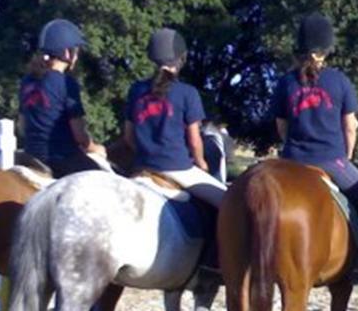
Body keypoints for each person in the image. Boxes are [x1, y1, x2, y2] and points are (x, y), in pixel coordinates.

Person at [272, 13, 358, 284]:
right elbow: (351, 126)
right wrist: (347, 157)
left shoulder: (286, 83)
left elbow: (281, 128)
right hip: (330, 159)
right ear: (326, 50)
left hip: (291, 161)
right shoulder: (339, 81)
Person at [123, 27, 227, 209]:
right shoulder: (187, 93)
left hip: (141, 168)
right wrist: (201, 164)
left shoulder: (136, 90)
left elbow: (128, 138)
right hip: (178, 168)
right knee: (229, 204)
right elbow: (195, 141)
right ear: (181, 59)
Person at [18, 18, 106, 177]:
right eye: (76, 51)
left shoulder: (27, 81)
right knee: (106, 181)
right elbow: (80, 137)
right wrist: (95, 148)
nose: (77, 57)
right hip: (59, 159)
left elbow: (23, 126)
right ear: (67, 53)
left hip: (30, 157)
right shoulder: (66, 83)